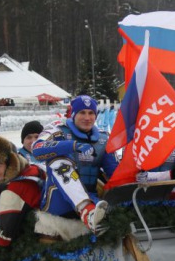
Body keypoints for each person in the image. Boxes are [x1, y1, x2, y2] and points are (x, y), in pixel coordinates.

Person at [32, 95, 119, 233]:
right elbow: (36, 149)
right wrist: (72, 146)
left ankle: (90, 210)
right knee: (60, 161)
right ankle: (86, 209)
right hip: (58, 201)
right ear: (73, 114)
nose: (87, 117)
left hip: (92, 197)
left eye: (91, 113)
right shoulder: (58, 129)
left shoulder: (102, 138)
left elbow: (114, 173)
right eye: (82, 112)